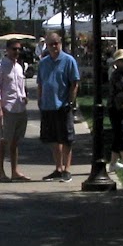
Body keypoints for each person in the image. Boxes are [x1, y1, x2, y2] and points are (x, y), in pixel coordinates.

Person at [36, 31, 80, 181]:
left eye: (56, 43)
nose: (54, 46)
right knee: (53, 139)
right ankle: (58, 168)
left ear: (60, 43)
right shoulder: (43, 63)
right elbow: (40, 83)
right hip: (48, 106)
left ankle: (67, 169)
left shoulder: (69, 61)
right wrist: (40, 99)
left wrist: (71, 101)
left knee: (66, 139)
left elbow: (74, 83)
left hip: (63, 105)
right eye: (51, 44)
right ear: (46, 46)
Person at [0, 38, 32, 182]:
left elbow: (20, 87)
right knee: (3, 141)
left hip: (20, 107)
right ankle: (2, 173)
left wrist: (25, 97)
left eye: (19, 49)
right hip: (7, 108)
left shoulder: (19, 67)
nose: (17, 52)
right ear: (7, 50)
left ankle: (15, 171)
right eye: (14, 49)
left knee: (15, 141)